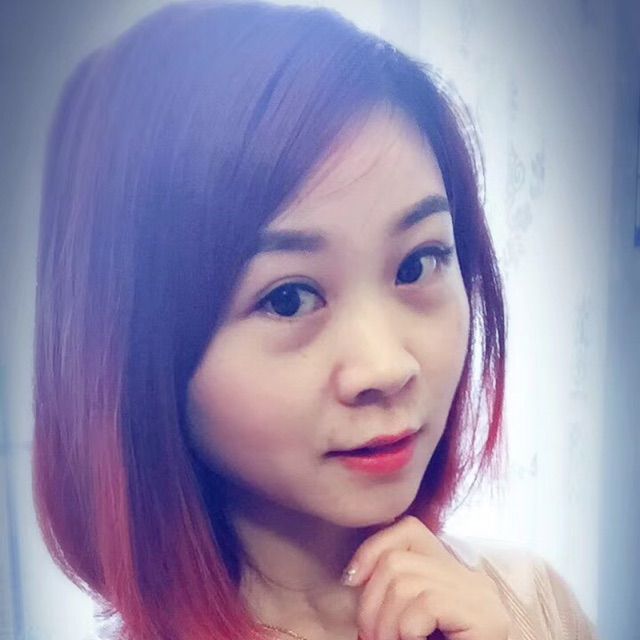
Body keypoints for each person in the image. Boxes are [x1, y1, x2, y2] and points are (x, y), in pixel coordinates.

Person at [31, 2, 597, 639]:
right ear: (136, 360)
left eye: (418, 263)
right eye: (289, 299)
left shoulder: (529, 604)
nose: (387, 366)